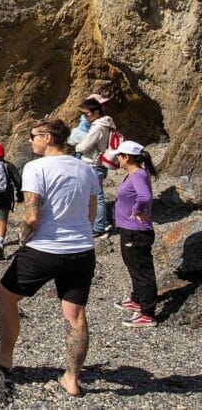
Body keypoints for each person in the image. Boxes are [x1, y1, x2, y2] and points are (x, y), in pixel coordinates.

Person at [0, 117, 97, 397]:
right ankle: (72, 378)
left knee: (5, 295)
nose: (30, 141)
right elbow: (91, 215)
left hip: (45, 248)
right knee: (75, 315)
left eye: (33, 136)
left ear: (49, 138)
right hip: (82, 249)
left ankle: (5, 354)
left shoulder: (35, 167)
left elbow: (32, 214)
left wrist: (23, 237)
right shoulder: (85, 169)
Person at [113, 140, 158, 328]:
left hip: (136, 231)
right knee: (133, 266)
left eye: (119, 155)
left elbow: (145, 196)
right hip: (130, 229)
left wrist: (138, 210)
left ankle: (147, 313)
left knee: (141, 270)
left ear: (127, 158)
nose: (117, 158)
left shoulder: (138, 175)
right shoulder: (133, 174)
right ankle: (137, 298)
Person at [75, 95, 117, 237]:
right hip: (98, 163)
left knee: (97, 196)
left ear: (97, 112)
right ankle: (99, 224)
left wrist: (77, 147)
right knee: (94, 195)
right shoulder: (106, 123)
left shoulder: (98, 127)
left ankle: (100, 226)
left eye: (87, 114)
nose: (85, 117)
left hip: (93, 163)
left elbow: (84, 146)